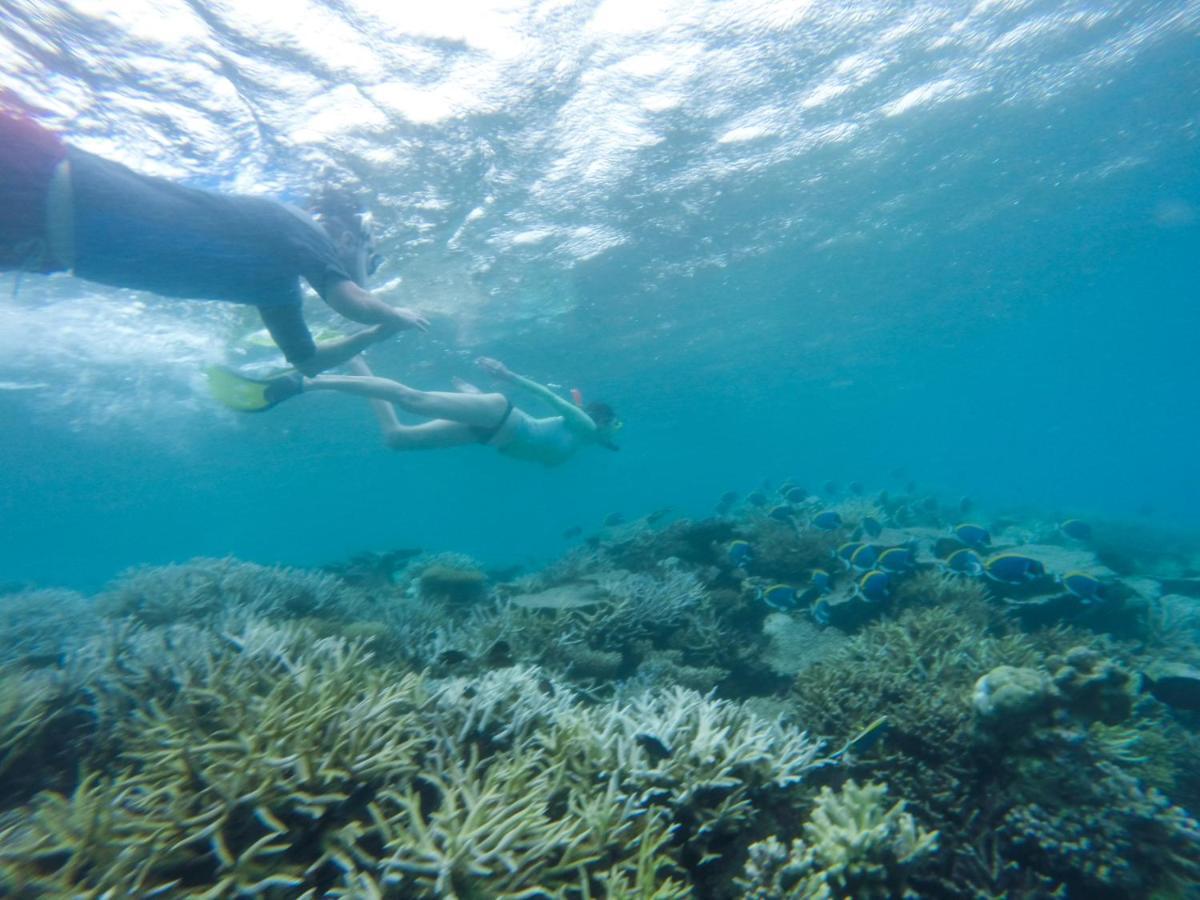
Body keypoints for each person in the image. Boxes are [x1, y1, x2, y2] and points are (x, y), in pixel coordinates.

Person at [0, 100, 427, 374]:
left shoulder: (276, 288)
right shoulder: (302, 225)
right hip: (43, 180)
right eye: (368, 260)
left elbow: (307, 362)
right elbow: (354, 303)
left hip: (37, 239)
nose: (360, 269)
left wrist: (376, 334)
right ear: (348, 236)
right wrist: (398, 316)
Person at [256, 355, 621, 467]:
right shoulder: (585, 424)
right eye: (614, 425)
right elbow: (551, 400)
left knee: (396, 439)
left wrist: (474, 397)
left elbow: (597, 440)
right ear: (601, 420)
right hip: (499, 416)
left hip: (488, 432)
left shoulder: (588, 440)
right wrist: (507, 376)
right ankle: (305, 383)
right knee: (411, 399)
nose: (614, 432)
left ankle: (355, 359)